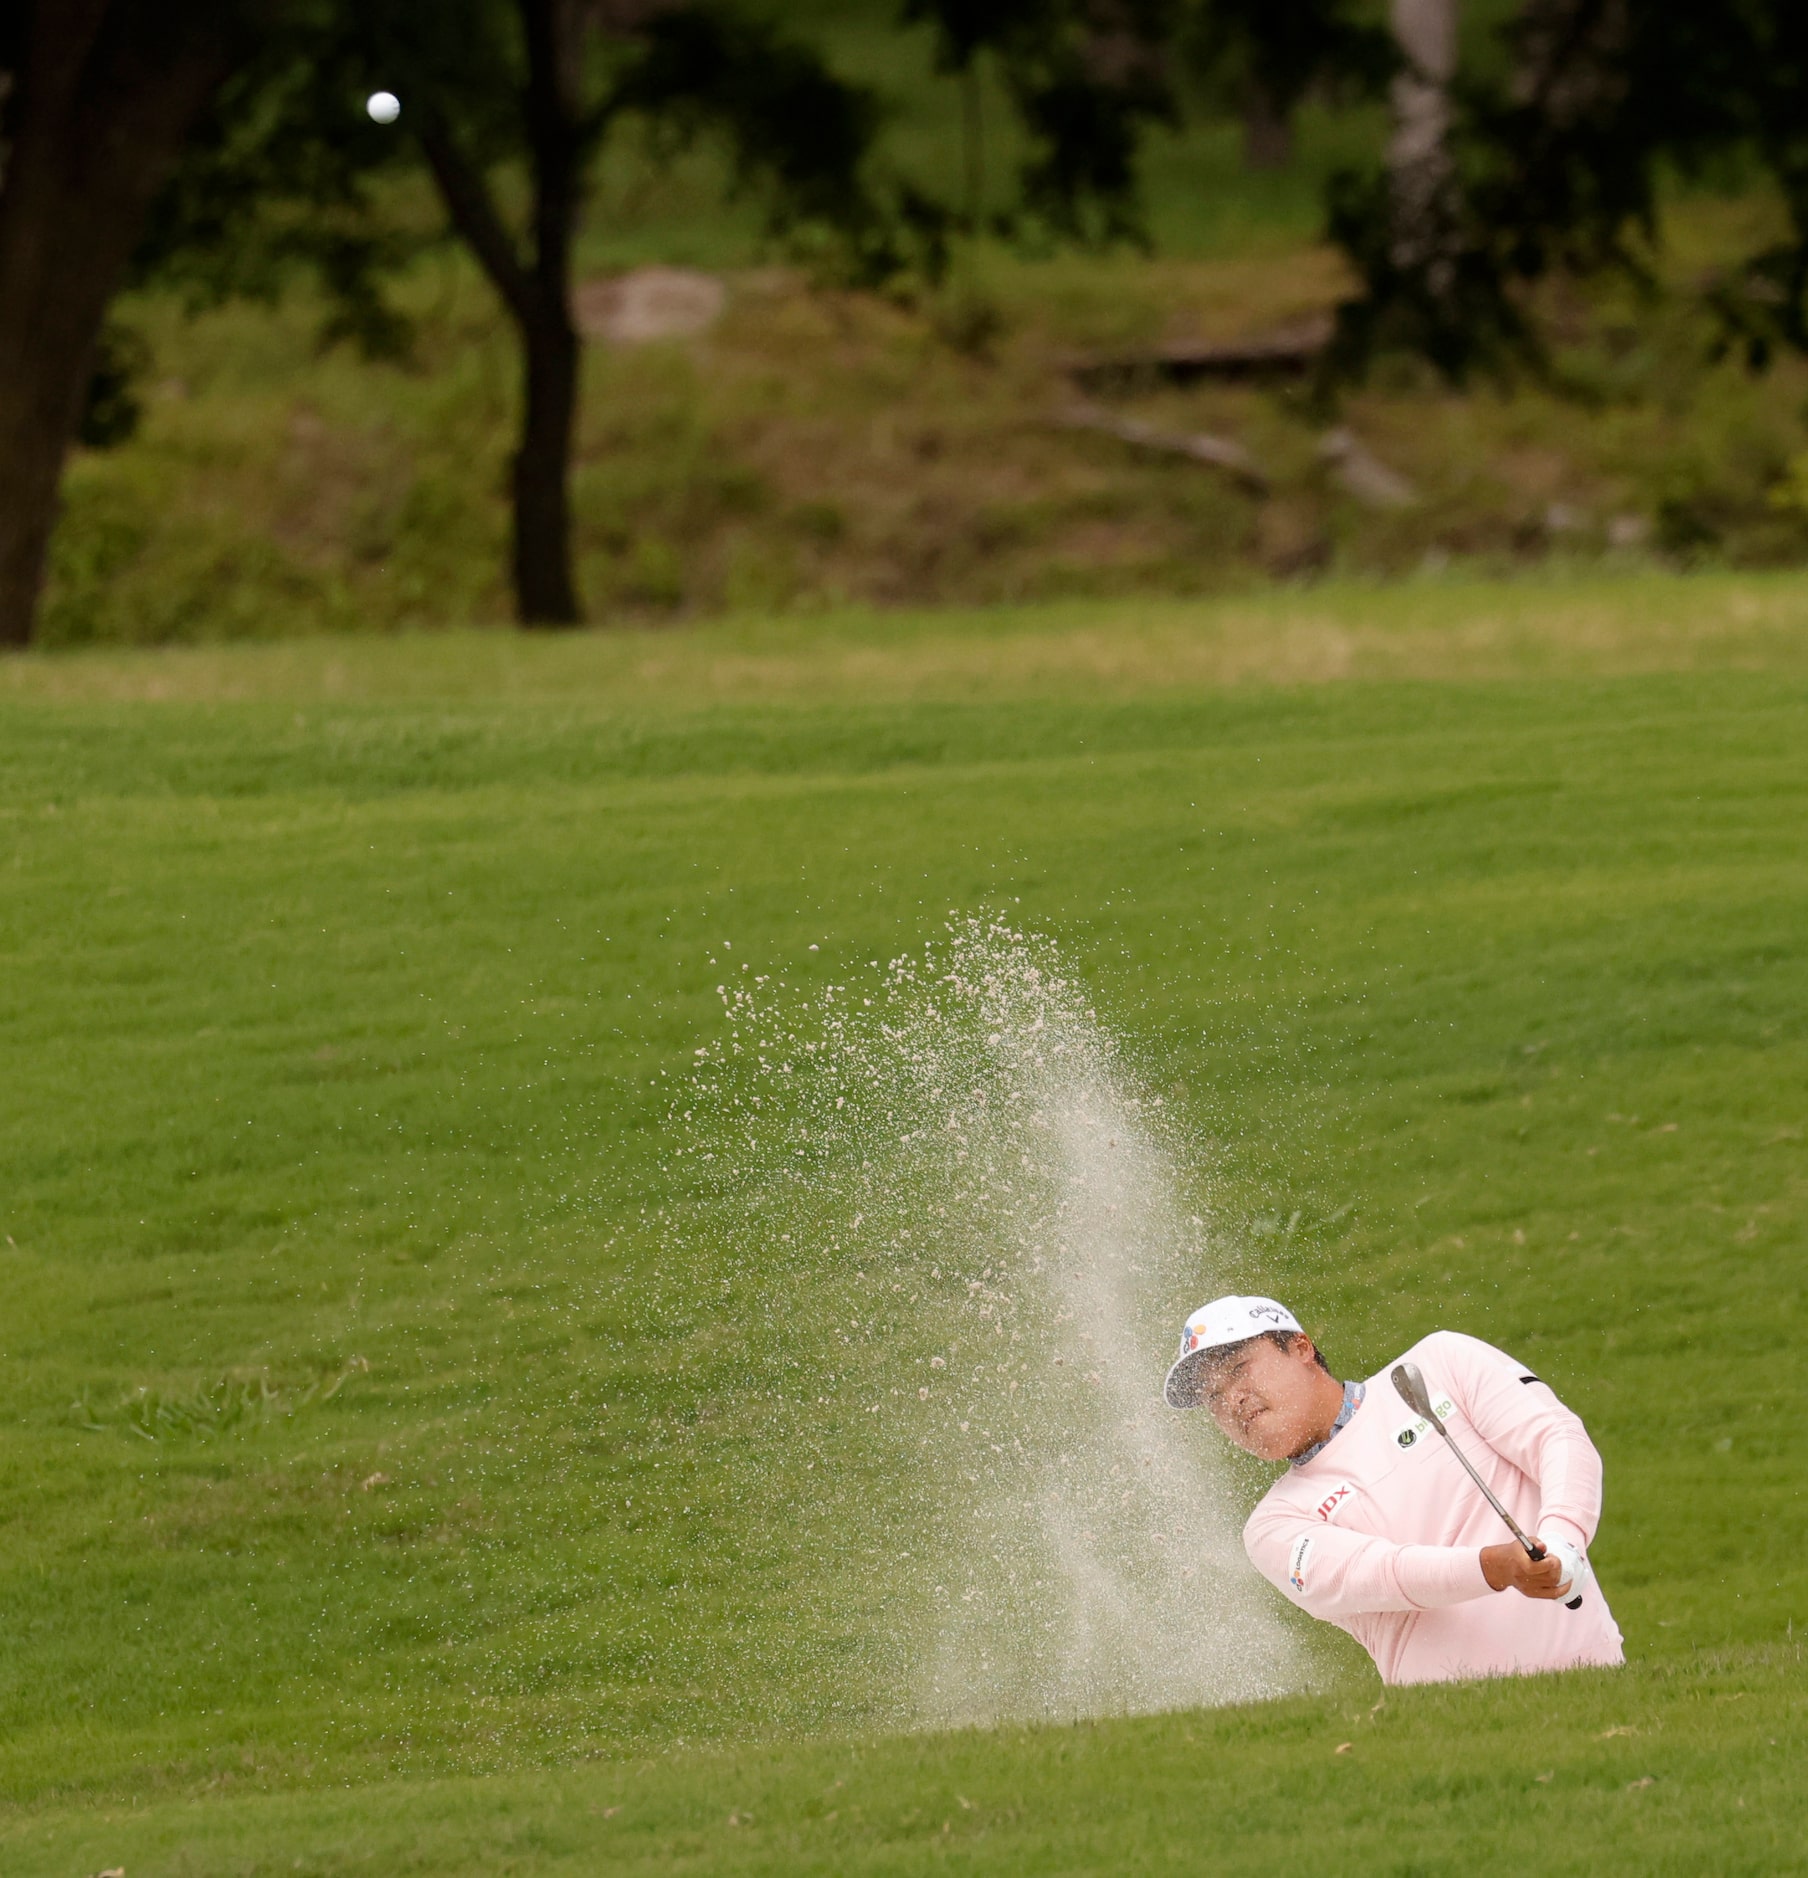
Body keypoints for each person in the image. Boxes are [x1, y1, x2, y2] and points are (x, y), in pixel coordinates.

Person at [1164, 1295, 1624, 1686]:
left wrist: (1564, 1540)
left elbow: (1556, 1437)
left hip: (1597, 1687)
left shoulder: (1439, 1364)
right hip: (1456, 1741)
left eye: (1240, 1368)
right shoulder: (1272, 1527)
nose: (1231, 1400)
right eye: (1212, 1396)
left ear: (1301, 1347)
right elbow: (1386, 1574)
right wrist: (1498, 1567)